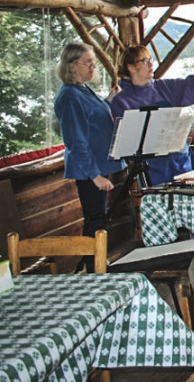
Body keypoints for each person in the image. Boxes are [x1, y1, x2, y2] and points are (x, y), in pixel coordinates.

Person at [110, 45, 194, 185]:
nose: (151, 64)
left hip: (181, 164)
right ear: (131, 67)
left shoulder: (164, 88)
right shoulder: (121, 101)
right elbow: (126, 143)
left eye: (150, 59)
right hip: (152, 172)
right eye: (144, 61)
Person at [54, 43, 126, 271]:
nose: (93, 66)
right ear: (73, 66)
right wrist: (94, 175)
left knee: (99, 219)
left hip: (98, 165)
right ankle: (94, 269)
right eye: (88, 62)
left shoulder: (83, 89)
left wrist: (110, 99)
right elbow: (75, 141)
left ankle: (96, 264)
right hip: (89, 169)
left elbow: (94, 117)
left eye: (93, 61)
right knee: (95, 220)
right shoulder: (69, 96)